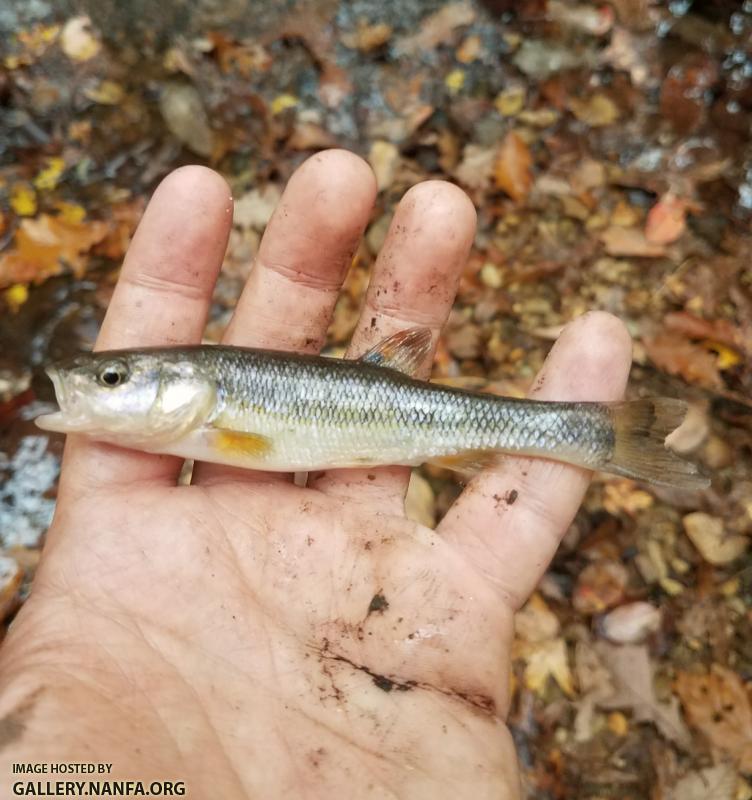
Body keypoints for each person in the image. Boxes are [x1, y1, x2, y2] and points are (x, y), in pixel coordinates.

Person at [0, 150, 631, 797]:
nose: (99, 387)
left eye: (112, 380)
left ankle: (590, 432)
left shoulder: (211, 420)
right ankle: (592, 433)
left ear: (187, 386)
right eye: (111, 378)